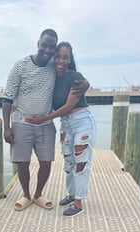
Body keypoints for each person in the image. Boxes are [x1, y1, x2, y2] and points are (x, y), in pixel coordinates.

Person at [2, 30, 88, 212]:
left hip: (46, 125)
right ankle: (26, 195)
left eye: (52, 46)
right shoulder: (20, 66)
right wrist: (6, 127)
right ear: (38, 43)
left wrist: (86, 83)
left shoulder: (54, 65)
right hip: (22, 122)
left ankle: (38, 194)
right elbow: (7, 97)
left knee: (46, 162)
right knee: (22, 162)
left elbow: (72, 74)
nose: (48, 50)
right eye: (45, 45)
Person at [26, 41, 96, 217]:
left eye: (66, 57)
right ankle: (71, 195)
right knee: (69, 162)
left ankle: (79, 203)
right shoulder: (51, 79)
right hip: (65, 124)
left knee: (81, 162)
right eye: (58, 56)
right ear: (53, 57)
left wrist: (43, 119)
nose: (61, 61)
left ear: (70, 59)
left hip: (82, 121)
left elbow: (68, 106)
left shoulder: (75, 76)